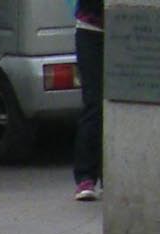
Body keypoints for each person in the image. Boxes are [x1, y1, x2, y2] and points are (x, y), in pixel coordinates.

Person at [72, 0, 104, 202]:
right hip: (91, 30)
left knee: (124, 103)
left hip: (129, 30)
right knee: (94, 103)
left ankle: (114, 175)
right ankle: (85, 177)